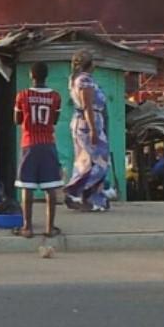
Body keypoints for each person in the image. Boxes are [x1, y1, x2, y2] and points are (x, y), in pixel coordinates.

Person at [13, 61, 63, 238]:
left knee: (27, 187)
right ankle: (50, 228)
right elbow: (55, 120)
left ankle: (27, 228)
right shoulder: (56, 97)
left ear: (31, 75)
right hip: (48, 143)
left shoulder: (22, 95)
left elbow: (17, 120)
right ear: (46, 76)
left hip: (29, 144)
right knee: (50, 187)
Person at [62, 50, 111, 212]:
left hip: (84, 122)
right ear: (90, 64)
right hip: (89, 122)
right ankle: (75, 191)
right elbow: (87, 106)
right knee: (100, 162)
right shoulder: (85, 81)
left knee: (85, 161)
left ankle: (90, 197)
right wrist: (93, 130)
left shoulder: (77, 79)